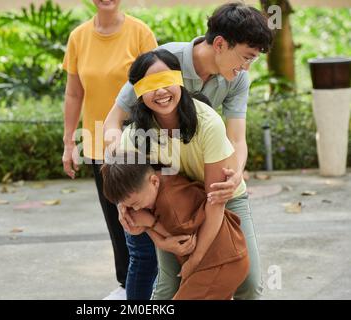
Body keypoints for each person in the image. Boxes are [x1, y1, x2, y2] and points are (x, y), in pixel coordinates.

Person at [104, 2, 274, 300]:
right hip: (172, 192)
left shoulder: (226, 94)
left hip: (217, 187)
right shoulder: (162, 64)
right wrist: (126, 182)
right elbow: (112, 123)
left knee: (248, 282)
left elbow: (237, 139)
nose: (247, 67)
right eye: (246, 57)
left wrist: (234, 175)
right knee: (168, 283)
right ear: (220, 44)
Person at [61, 0, 158, 300]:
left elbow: (156, 87)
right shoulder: (79, 37)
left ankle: (155, 283)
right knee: (117, 220)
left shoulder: (140, 33)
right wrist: (68, 142)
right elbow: (74, 93)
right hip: (97, 146)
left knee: (145, 214)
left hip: (136, 145)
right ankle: (126, 285)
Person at [100, 153, 249, 299]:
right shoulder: (162, 176)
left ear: (154, 182)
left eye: (136, 204)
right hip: (223, 258)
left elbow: (186, 242)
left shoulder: (170, 204)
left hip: (219, 264)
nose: (137, 210)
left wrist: (150, 223)